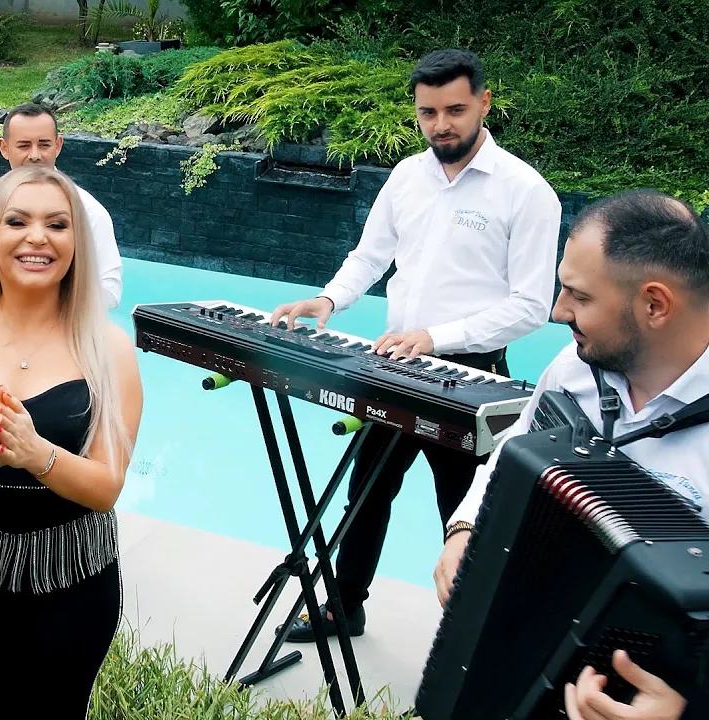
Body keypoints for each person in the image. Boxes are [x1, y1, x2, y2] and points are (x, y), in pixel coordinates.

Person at [268, 48, 563, 641]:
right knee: (365, 493)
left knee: (465, 512)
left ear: (484, 102)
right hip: (394, 363)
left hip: (470, 378)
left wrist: (436, 337)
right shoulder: (405, 176)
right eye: (428, 113)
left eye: (455, 110)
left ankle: (474, 638)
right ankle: (345, 606)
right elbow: (370, 256)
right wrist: (329, 299)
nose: (440, 125)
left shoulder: (527, 192)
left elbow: (531, 305)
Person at [432, 190, 709, 720]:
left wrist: (688, 706)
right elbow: (517, 449)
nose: (558, 311)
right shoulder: (575, 366)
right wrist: (465, 529)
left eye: (579, 296)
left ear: (655, 305)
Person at [0, 165, 143, 718]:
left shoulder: (109, 347)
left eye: (57, 225)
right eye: (17, 222)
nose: (37, 238)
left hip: (74, 573)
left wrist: (37, 454)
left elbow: (106, 487)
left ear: (77, 243)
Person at [0, 103, 123, 310]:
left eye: (44, 145)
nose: (35, 155)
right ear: (4, 148)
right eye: (24, 146)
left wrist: (47, 312)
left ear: (58, 145)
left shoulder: (88, 210)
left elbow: (109, 288)